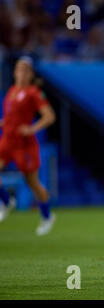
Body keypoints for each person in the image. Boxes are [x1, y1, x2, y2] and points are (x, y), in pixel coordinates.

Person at [0, 57, 56, 236]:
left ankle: (47, 216)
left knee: (32, 183)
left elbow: (49, 116)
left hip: (24, 146)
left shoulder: (33, 92)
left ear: (31, 74)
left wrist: (32, 128)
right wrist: (4, 122)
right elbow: (12, 117)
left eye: (25, 70)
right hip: (7, 140)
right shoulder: (12, 91)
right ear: (15, 72)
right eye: (19, 69)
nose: (22, 73)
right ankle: (6, 201)